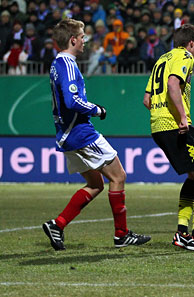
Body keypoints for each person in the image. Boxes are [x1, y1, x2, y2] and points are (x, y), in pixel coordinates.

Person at [42, 19, 151, 251]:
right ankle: (121, 234)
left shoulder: (56, 63)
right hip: (80, 132)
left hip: (66, 133)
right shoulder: (68, 64)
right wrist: (97, 109)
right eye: (82, 37)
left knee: (95, 184)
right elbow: (72, 101)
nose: (85, 41)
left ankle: (57, 225)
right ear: (73, 40)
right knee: (119, 176)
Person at [142, 24, 194, 253]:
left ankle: (182, 233)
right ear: (191, 44)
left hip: (158, 126)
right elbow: (172, 85)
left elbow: (147, 99)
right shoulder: (184, 56)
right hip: (176, 126)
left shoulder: (161, 59)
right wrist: (182, 117)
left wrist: (162, 114)